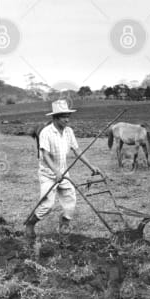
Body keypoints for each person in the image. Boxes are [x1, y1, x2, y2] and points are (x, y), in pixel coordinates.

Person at [25, 100, 100, 238]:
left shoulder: (69, 132)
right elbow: (45, 155)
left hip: (64, 173)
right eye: (63, 116)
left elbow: (77, 150)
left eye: (68, 116)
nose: (67, 119)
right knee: (47, 206)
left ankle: (64, 224)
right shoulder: (46, 132)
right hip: (48, 174)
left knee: (70, 203)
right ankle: (30, 223)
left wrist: (91, 166)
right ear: (55, 118)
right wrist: (55, 171)